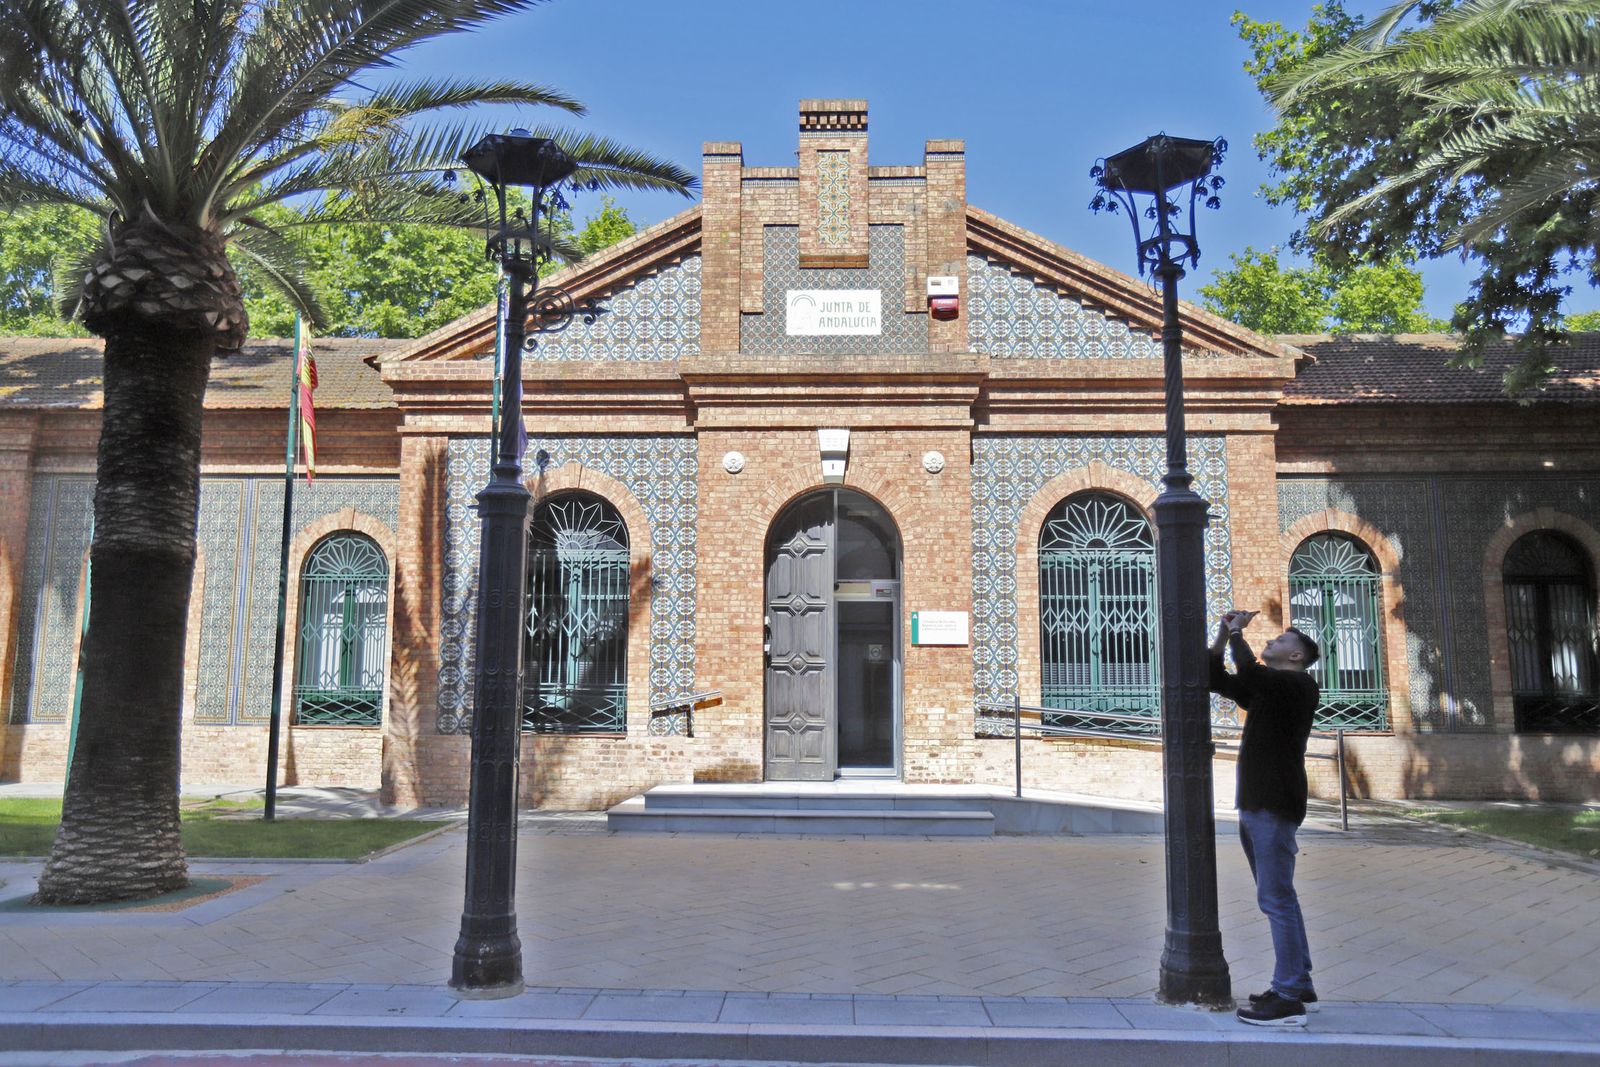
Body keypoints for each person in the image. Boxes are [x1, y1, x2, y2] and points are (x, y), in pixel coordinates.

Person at [1209, 610, 1321, 1028]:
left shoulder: (1296, 685)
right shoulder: (1271, 689)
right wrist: (1222, 638)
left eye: (1281, 640)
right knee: (1279, 897)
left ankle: (1289, 995)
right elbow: (1217, 678)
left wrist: (1237, 632)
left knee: (1275, 899)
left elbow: (1250, 671)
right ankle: (1298, 981)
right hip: (1257, 802)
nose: (1271, 641)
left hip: (1274, 802)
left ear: (1296, 657)